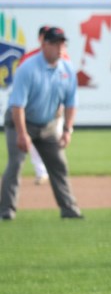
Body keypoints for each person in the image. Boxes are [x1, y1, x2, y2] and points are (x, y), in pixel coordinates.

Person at [1, 27, 82, 221]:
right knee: (16, 163)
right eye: (54, 43)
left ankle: (69, 209)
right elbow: (17, 106)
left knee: (59, 164)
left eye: (62, 43)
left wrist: (67, 130)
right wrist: (22, 134)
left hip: (47, 125)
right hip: (19, 122)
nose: (59, 47)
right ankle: (6, 210)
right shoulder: (28, 68)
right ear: (44, 45)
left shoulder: (67, 69)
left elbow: (71, 103)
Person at [18, 26, 62, 185]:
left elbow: (64, 82)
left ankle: (53, 171)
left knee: (56, 141)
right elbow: (21, 83)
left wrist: (61, 105)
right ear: (41, 40)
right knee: (35, 144)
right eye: (45, 36)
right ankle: (41, 172)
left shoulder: (61, 57)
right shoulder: (29, 58)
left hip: (55, 108)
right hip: (35, 110)